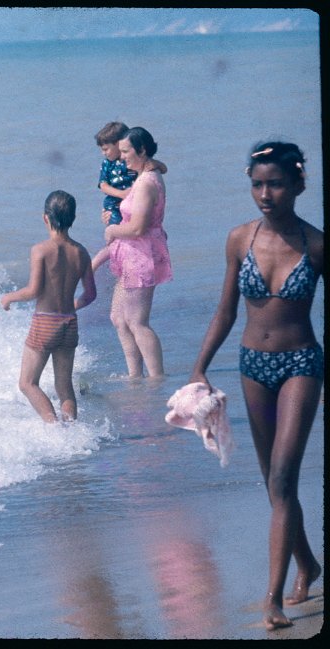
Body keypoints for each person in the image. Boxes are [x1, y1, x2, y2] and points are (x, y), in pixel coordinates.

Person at [187, 142, 323, 631]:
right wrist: (199, 366)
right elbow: (225, 311)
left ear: (299, 184)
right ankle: (308, 564)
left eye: (277, 183)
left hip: (301, 365)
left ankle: (272, 599)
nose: (265, 193)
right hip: (251, 367)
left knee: (283, 477)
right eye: (257, 184)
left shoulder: (317, 244)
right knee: (273, 482)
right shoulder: (238, 240)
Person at [0, 190, 96, 422]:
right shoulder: (81, 252)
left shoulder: (41, 250)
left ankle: (53, 429)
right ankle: (71, 434)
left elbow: (33, 291)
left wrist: (9, 297)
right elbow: (91, 294)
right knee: (65, 388)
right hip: (69, 323)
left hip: (45, 323)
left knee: (27, 383)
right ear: (73, 218)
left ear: (45, 218)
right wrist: (73, 304)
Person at [102, 126, 172, 378]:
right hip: (131, 254)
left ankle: (156, 378)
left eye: (125, 152)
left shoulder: (146, 183)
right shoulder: (146, 173)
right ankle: (134, 376)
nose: (121, 157)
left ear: (141, 151)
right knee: (118, 317)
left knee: (137, 321)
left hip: (141, 256)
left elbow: (139, 227)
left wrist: (112, 230)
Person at [91, 121, 168, 271]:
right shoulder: (109, 163)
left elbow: (163, 169)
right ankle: (98, 266)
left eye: (106, 149)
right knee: (116, 239)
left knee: (119, 237)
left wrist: (155, 163)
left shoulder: (140, 168)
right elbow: (102, 185)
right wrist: (124, 195)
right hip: (114, 204)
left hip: (132, 206)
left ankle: (95, 266)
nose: (104, 153)